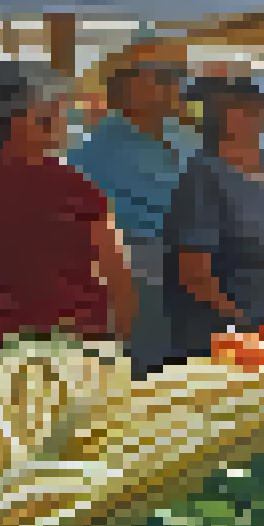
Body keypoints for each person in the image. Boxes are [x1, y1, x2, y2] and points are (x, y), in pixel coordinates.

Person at [0, 63, 135, 352]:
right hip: (76, 342)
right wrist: (120, 346)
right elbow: (115, 275)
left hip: (1, 340)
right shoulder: (74, 186)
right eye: (60, 111)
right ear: (33, 116)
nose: (65, 122)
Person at [69, 47, 199, 372]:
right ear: (124, 86)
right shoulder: (90, 152)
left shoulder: (188, 139)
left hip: (198, 270)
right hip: (136, 272)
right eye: (161, 76)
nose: (174, 85)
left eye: (176, 76)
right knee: (150, 379)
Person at [166, 80, 264, 359]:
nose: (249, 117)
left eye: (255, 109)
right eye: (237, 109)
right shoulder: (203, 175)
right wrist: (239, 322)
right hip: (229, 326)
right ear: (215, 116)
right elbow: (193, 269)